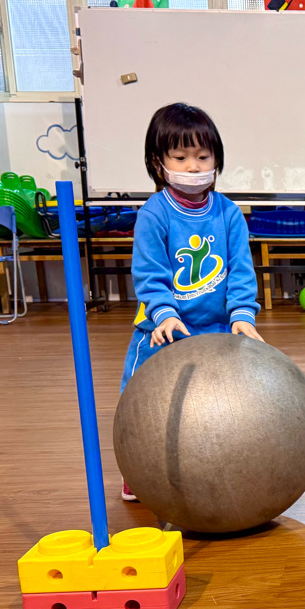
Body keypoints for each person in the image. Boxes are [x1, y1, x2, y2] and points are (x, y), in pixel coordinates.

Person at [120, 103, 262, 501]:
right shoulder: (154, 214)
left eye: (203, 157)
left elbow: (241, 270)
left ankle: (213, 464)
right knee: (145, 401)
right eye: (181, 158)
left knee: (216, 403)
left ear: (217, 159)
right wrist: (163, 314)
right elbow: (150, 273)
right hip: (162, 330)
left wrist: (242, 315)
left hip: (217, 329)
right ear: (159, 162)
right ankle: (137, 468)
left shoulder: (229, 213)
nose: (194, 166)